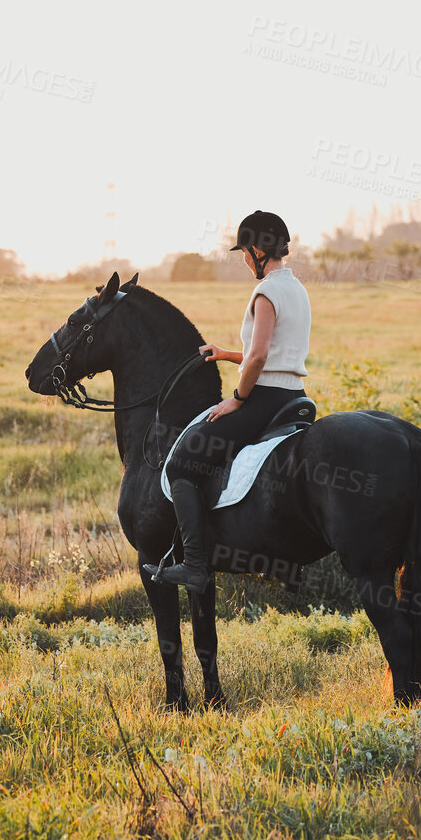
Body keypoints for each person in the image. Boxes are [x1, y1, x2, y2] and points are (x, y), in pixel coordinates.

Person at [147, 210, 313, 593]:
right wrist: (225, 354)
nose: (242, 258)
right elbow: (272, 355)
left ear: (257, 249)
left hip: (265, 399)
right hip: (295, 396)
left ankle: (194, 565)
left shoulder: (266, 291)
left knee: (183, 464)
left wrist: (237, 399)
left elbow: (259, 359)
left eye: (244, 251)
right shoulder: (297, 289)